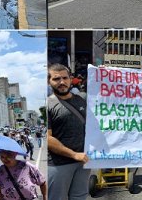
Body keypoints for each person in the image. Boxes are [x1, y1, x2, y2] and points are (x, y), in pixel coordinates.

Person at [47, 63, 89, 200]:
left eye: (65, 78)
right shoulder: (47, 105)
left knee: (80, 197)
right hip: (59, 165)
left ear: (70, 79)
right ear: (49, 81)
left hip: (84, 160)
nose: (62, 82)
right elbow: (47, 138)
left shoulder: (82, 99)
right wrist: (74, 154)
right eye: (56, 79)